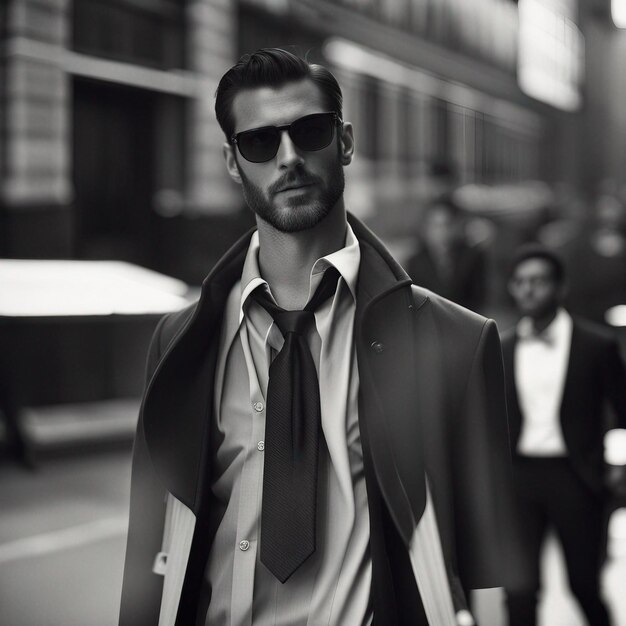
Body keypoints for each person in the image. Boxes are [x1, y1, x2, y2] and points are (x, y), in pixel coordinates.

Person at [120, 48, 515, 626]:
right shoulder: (181, 340)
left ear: (346, 142)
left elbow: (488, 582)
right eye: (259, 142)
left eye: (310, 132)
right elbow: (147, 554)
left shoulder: (459, 342)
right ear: (233, 163)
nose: (288, 158)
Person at [503, 243, 626, 626]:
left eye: (538, 281)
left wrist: (618, 466)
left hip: (576, 475)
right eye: (520, 282)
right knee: (519, 592)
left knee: (584, 586)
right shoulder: (499, 347)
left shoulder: (596, 345)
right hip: (518, 479)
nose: (528, 290)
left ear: (560, 288)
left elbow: (623, 410)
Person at [406, 195, 487, 313]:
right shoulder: (415, 262)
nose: (441, 231)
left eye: (446, 225)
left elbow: (479, 298)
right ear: (426, 228)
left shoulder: (472, 257)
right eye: (436, 226)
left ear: (454, 226)